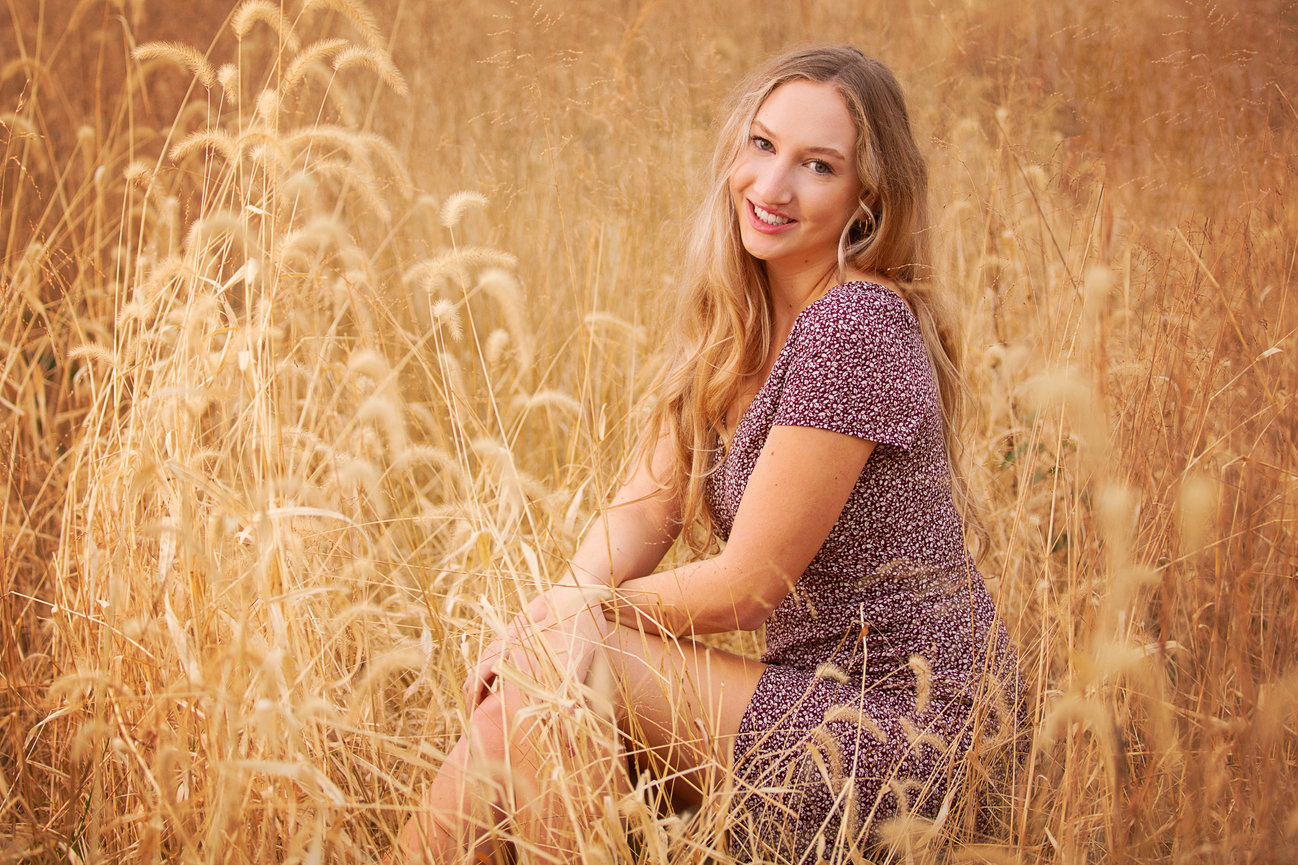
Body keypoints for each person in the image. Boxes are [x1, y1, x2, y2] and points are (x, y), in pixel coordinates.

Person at [392, 44, 1023, 864]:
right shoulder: (740, 325)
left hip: (907, 731)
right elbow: (646, 506)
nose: (771, 187)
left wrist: (580, 621)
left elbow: (747, 586)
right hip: (812, 704)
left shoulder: (855, 325)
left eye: (818, 166)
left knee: (568, 673)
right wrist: (560, 606)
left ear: (868, 197)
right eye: (761, 146)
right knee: (536, 698)